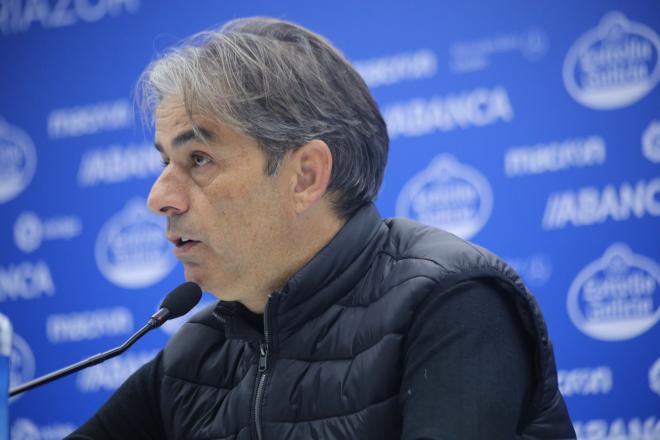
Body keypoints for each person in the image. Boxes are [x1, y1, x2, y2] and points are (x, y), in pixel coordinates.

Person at [68, 17, 576, 440]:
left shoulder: (453, 302)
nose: (159, 198)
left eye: (198, 158)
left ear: (305, 175)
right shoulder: (197, 352)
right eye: (165, 162)